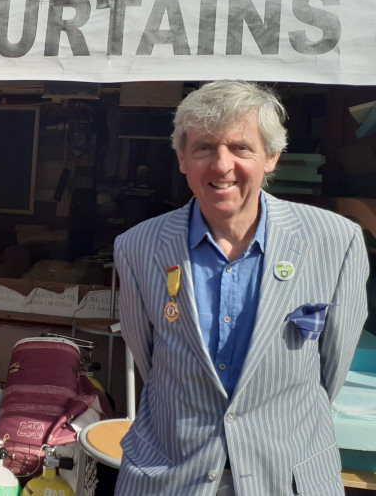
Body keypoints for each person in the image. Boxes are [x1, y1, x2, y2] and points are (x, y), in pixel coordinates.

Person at [113, 80, 368, 496]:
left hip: (287, 478)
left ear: (272, 157)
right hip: (170, 478)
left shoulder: (336, 242)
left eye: (240, 148)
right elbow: (150, 361)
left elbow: (331, 371)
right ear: (181, 158)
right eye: (204, 148)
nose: (222, 165)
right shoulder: (137, 247)